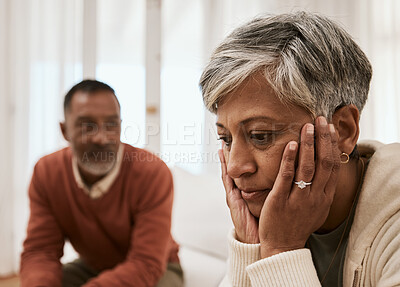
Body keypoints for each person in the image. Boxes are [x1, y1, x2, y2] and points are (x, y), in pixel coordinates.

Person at [199, 12, 400, 287]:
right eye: (226, 139)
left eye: (260, 135)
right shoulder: (274, 215)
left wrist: (283, 250)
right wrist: (251, 246)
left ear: (343, 130)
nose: (234, 166)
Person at [20, 80, 183, 287]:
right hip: (92, 266)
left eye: (111, 125)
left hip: (158, 268)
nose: (101, 137)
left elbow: (146, 263)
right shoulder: (46, 172)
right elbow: (41, 251)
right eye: (87, 126)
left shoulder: (152, 172)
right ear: (64, 131)